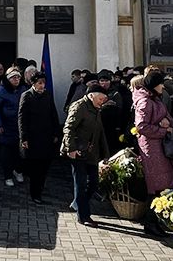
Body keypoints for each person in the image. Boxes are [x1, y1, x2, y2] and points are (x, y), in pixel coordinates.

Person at [134, 71, 173, 196]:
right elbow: (141, 126)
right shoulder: (145, 101)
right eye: (160, 84)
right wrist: (163, 130)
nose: (163, 86)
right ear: (154, 85)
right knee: (161, 181)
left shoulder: (155, 98)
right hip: (153, 147)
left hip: (162, 144)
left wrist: (168, 122)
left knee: (170, 178)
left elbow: (166, 115)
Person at [62, 82, 110, 226]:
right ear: (91, 96)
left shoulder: (97, 109)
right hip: (78, 151)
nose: (102, 102)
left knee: (94, 183)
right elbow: (68, 128)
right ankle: (84, 217)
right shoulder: (79, 106)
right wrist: (71, 148)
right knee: (81, 183)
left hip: (91, 152)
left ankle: (77, 203)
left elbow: (101, 132)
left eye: (104, 100)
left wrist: (106, 154)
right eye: (100, 99)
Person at [18, 70, 59, 203]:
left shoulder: (47, 95)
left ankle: (40, 187)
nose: (42, 86)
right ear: (34, 84)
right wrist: (23, 138)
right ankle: (35, 193)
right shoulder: (27, 96)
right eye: (39, 83)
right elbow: (22, 118)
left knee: (45, 165)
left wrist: (56, 132)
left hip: (46, 136)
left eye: (43, 83)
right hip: (33, 137)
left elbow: (53, 114)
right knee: (35, 167)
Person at [0, 67, 27, 187]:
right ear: (8, 79)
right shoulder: (2, 91)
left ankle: (18, 170)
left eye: (18, 77)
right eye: (13, 78)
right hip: (6, 126)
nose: (16, 80)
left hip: (20, 126)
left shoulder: (23, 89)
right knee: (6, 153)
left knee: (20, 151)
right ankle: (8, 175)